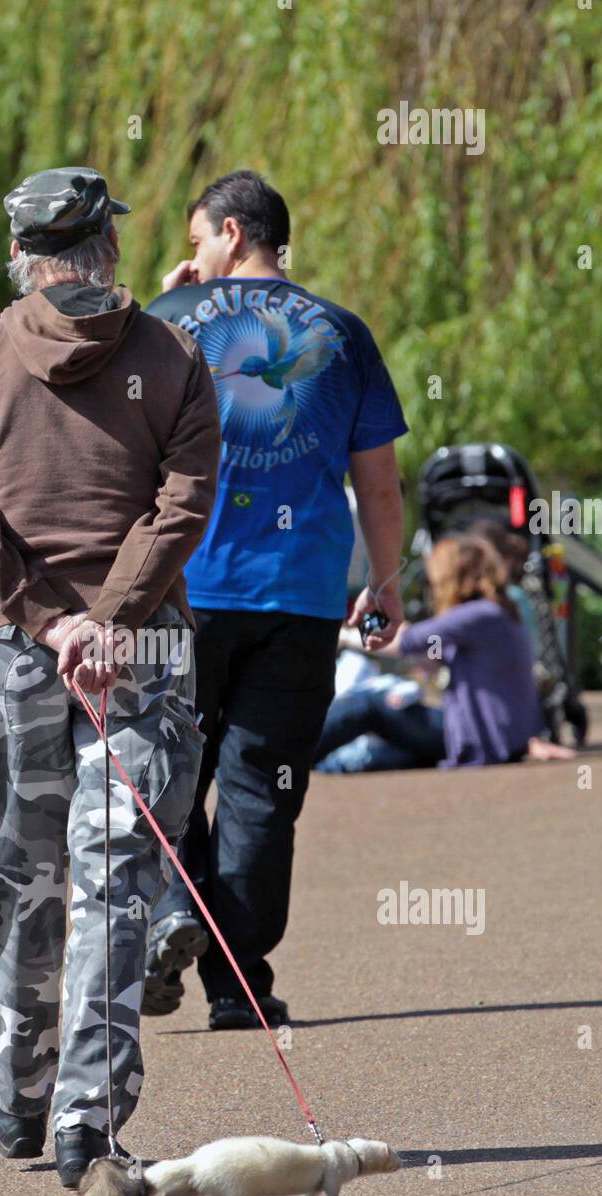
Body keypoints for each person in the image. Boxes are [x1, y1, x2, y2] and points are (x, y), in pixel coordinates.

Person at [0, 167, 220, 1186]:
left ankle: (17, 1091)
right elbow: (182, 505)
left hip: (12, 654)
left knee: (23, 873)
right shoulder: (175, 358)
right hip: (136, 654)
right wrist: (108, 617)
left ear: (19, 254)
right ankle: (86, 1122)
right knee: (114, 885)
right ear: (107, 248)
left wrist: (47, 620)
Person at [142, 170, 408, 1028]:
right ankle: (239, 980)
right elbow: (379, 483)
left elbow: (111, 401)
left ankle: (174, 911)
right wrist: (387, 581)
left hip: (182, 590)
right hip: (300, 596)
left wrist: (159, 302)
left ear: (230, 232)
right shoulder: (343, 332)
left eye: (195, 241)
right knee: (263, 782)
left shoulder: (170, 326)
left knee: (167, 765)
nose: (192, 257)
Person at [314, 534, 544, 769]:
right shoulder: (497, 612)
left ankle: (291, 755)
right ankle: (312, 762)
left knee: (367, 705)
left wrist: (342, 636)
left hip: (479, 738)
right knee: (361, 760)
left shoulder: (479, 614)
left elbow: (405, 642)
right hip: (495, 739)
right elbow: (433, 657)